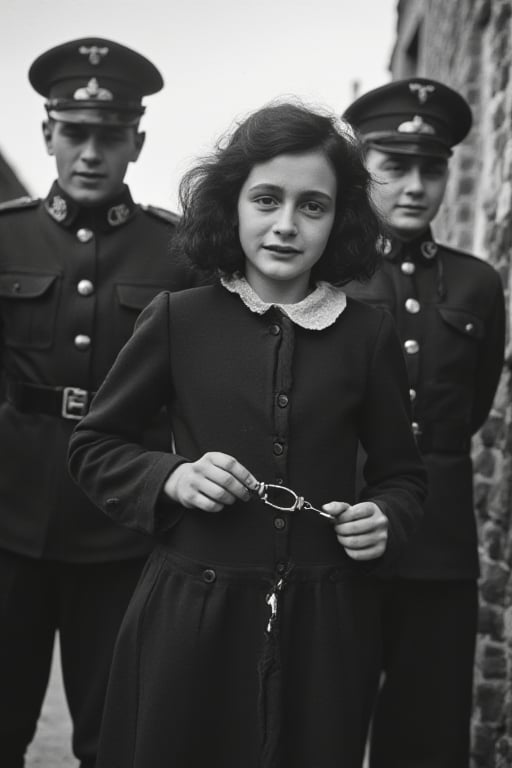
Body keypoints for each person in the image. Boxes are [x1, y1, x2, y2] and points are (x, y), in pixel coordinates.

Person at [68, 101, 427, 768]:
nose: (286, 225)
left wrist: (387, 516)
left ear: (338, 218)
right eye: (266, 199)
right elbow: (94, 446)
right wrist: (169, 476)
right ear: (232, 205)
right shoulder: (179, 318)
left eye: (312, 206)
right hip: (188, 619)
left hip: (327, 626)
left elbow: (403, 476)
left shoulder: (368, 333)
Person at [0, 37, 197, 768]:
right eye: (74, 133)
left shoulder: (176, 255)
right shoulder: (5, 235)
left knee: (118, 737)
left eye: (108, 136)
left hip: (121, 528)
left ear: (136, 143)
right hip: (7, 518)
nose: (89, 152)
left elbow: (191, 395)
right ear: (48, 134)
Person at [342, 78, 506, 768]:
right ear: (364, 171)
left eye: (432, 169)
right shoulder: (330, 277)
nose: (415, 186)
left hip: (439, 545)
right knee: (326, 719)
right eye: (395, 167)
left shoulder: (475, 284)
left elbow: (469, 408)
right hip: (340, 530)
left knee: (429, 731)